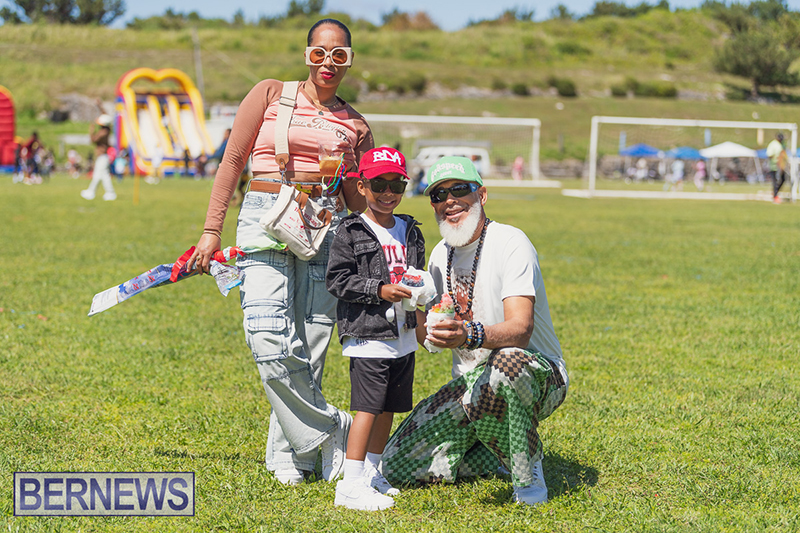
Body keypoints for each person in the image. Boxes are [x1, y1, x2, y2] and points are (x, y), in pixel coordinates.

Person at [186, 19, 374, 486]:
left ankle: (293, 457)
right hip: (264, 218)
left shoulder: (356, 124)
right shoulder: (270, 94)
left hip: (324, 230)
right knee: (267, 336)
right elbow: (233, 160)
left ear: (349, 60)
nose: (327, 64)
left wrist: (356, 178)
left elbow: (356, 203)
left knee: (309, 349)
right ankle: (335, 430)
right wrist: (212, 229)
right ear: (306, 54)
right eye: (318, 53)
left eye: (339, 56)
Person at [381, 156, 569, 507]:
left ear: (481, 194)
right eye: (438, 195)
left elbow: (521, 328)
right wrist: (411, 303)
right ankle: (500, 453)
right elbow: (431, 340)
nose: (449, 201)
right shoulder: (439, 256)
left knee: (507, 365)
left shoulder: (511, 241)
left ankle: (528, 479)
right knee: (395, 463)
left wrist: (468, 334)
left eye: (459, 190)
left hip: (536, 374)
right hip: (471, 385)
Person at [326, 147, 424, 510]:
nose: (388, 192)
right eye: (378, 183)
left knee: (389, 407)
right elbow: (336, 279)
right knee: (367, 407)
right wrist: (379, 290)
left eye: (396, 183)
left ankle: (372, 472)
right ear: (362, 186)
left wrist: (424, 311)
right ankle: (350, 484)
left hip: (403, 334)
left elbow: (420, 277)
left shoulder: (410, 230)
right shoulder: (351, 230)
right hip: (368, 333)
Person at [80, 115, 117, 201]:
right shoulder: (106, 130)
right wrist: (99, 105)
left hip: (102, 157)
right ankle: (105, 192)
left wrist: (91, 130)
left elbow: (93, 140)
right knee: (101, 175)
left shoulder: (103, 132)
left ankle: (96, 192)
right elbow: (105, 114)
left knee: (100, 175)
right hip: (102, 157)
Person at [766, 132, 787, 204]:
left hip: (780, 166)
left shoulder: (782, 144)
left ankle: (775, 193)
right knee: (775, 181)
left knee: (783, 179)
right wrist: (776, 158)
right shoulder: (773, 144)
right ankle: (775, 196)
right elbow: (769, 154)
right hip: (774, 166)